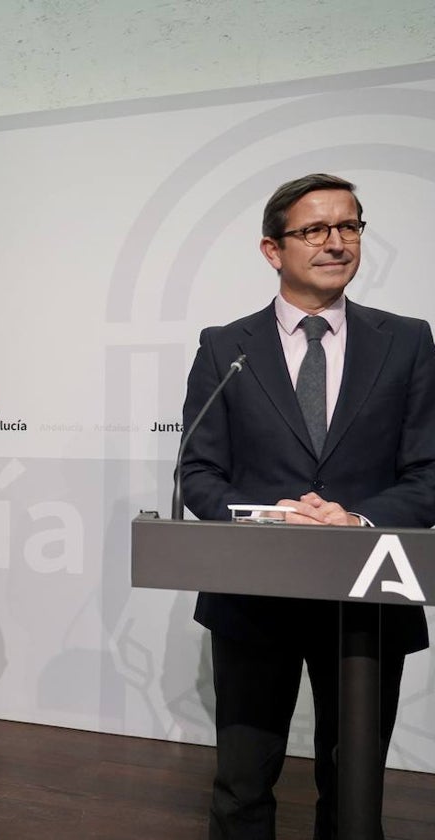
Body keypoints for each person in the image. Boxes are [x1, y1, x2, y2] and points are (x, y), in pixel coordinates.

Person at [180, 174, 435, 839]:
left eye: (349, 226)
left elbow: (427, 472)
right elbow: (200, 475)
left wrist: (355, 520)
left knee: (353, 792)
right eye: (315, 229)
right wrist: (273, 518)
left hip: (367, 600)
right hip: (253, 594)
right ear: (273, 249)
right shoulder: (224, 347)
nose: (336, 242)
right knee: (242, 784)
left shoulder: (407, 341)